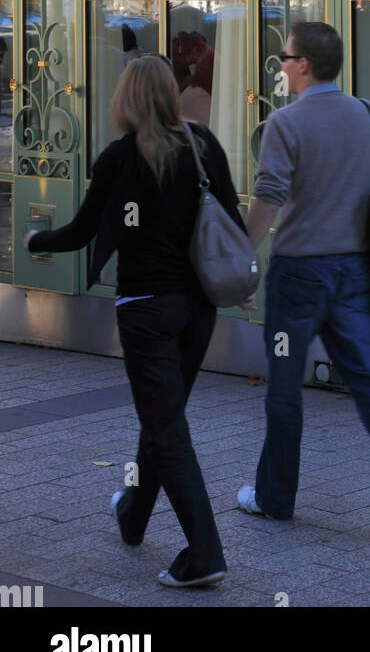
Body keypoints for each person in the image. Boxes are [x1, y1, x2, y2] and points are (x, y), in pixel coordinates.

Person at [24, 55, 246, 588]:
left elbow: (80, 230)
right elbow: (232, 222)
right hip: (198, 309)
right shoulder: (204, 147)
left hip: (147, 309)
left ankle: (205, 554)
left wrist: (37, 241)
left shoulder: (120, 157)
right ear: (170, 94)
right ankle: (134, 515)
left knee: (167, 426)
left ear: (125, 99)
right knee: (163, 417)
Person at [237, 21, 370, 541]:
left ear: (303, 64)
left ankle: (275, 499)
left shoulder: (285, 124)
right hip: (353, 270)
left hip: (298, 272)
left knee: (284, 388)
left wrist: (239, 257)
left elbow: (271, 195)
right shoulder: (368, 114)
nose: (280, 64)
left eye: (284, 56)